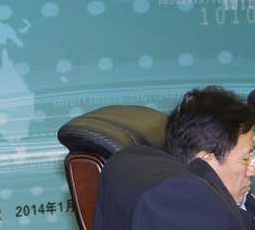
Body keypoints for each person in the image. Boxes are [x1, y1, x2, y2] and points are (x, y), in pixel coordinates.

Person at [93, 86, 255, 230]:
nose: (252, 171)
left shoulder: (226, 202)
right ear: (205, 160)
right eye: (245, 158)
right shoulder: (187, 210)